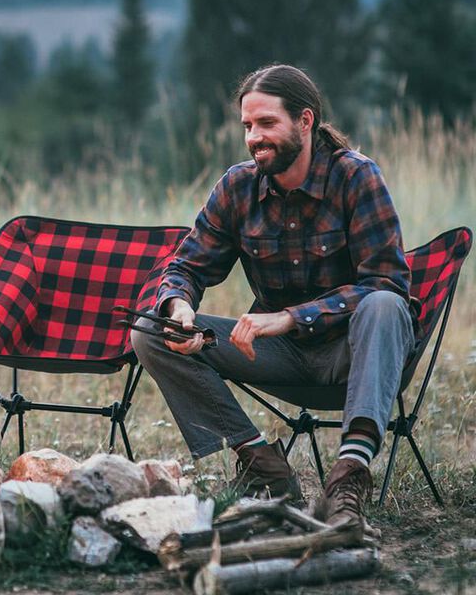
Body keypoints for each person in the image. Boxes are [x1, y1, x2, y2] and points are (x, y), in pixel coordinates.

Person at [132, 64, 417, 528]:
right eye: (247, 125)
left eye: (267, 124)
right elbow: (185, 265)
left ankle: (348, 480)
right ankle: (263, 466)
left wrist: (289, 317)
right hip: (277, 354)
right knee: (150, 330)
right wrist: (179, 306)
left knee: (385, 305)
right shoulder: (237, 186)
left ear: (305, 121)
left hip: (354, 352)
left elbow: (386, 282)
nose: (254, 137)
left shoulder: (356, 178)